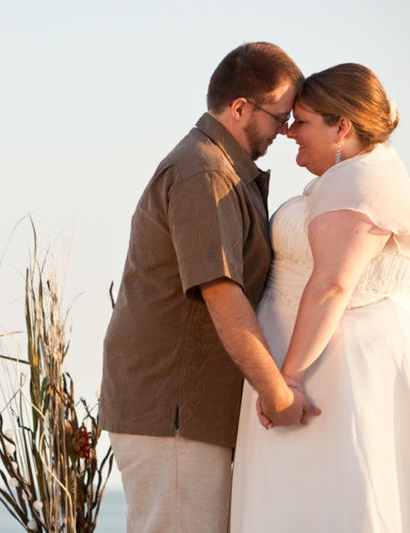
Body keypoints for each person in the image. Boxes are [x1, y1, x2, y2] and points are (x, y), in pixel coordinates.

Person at [99, 42, 318, 533]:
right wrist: (276, 393)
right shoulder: (205, 173)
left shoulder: (223, 168)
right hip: (175, 405)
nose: (284, 131)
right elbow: (222, 294)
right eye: (279, 117)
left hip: (190, 406)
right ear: (240, 108)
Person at [231, 63, 410, 532]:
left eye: (302, 121)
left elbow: (332, 285)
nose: (290, 131)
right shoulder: (353, 174)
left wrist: (288, 380)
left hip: (335, 376)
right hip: (317, 367)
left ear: (342, 127)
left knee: (328, 503)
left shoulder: (359, 182)